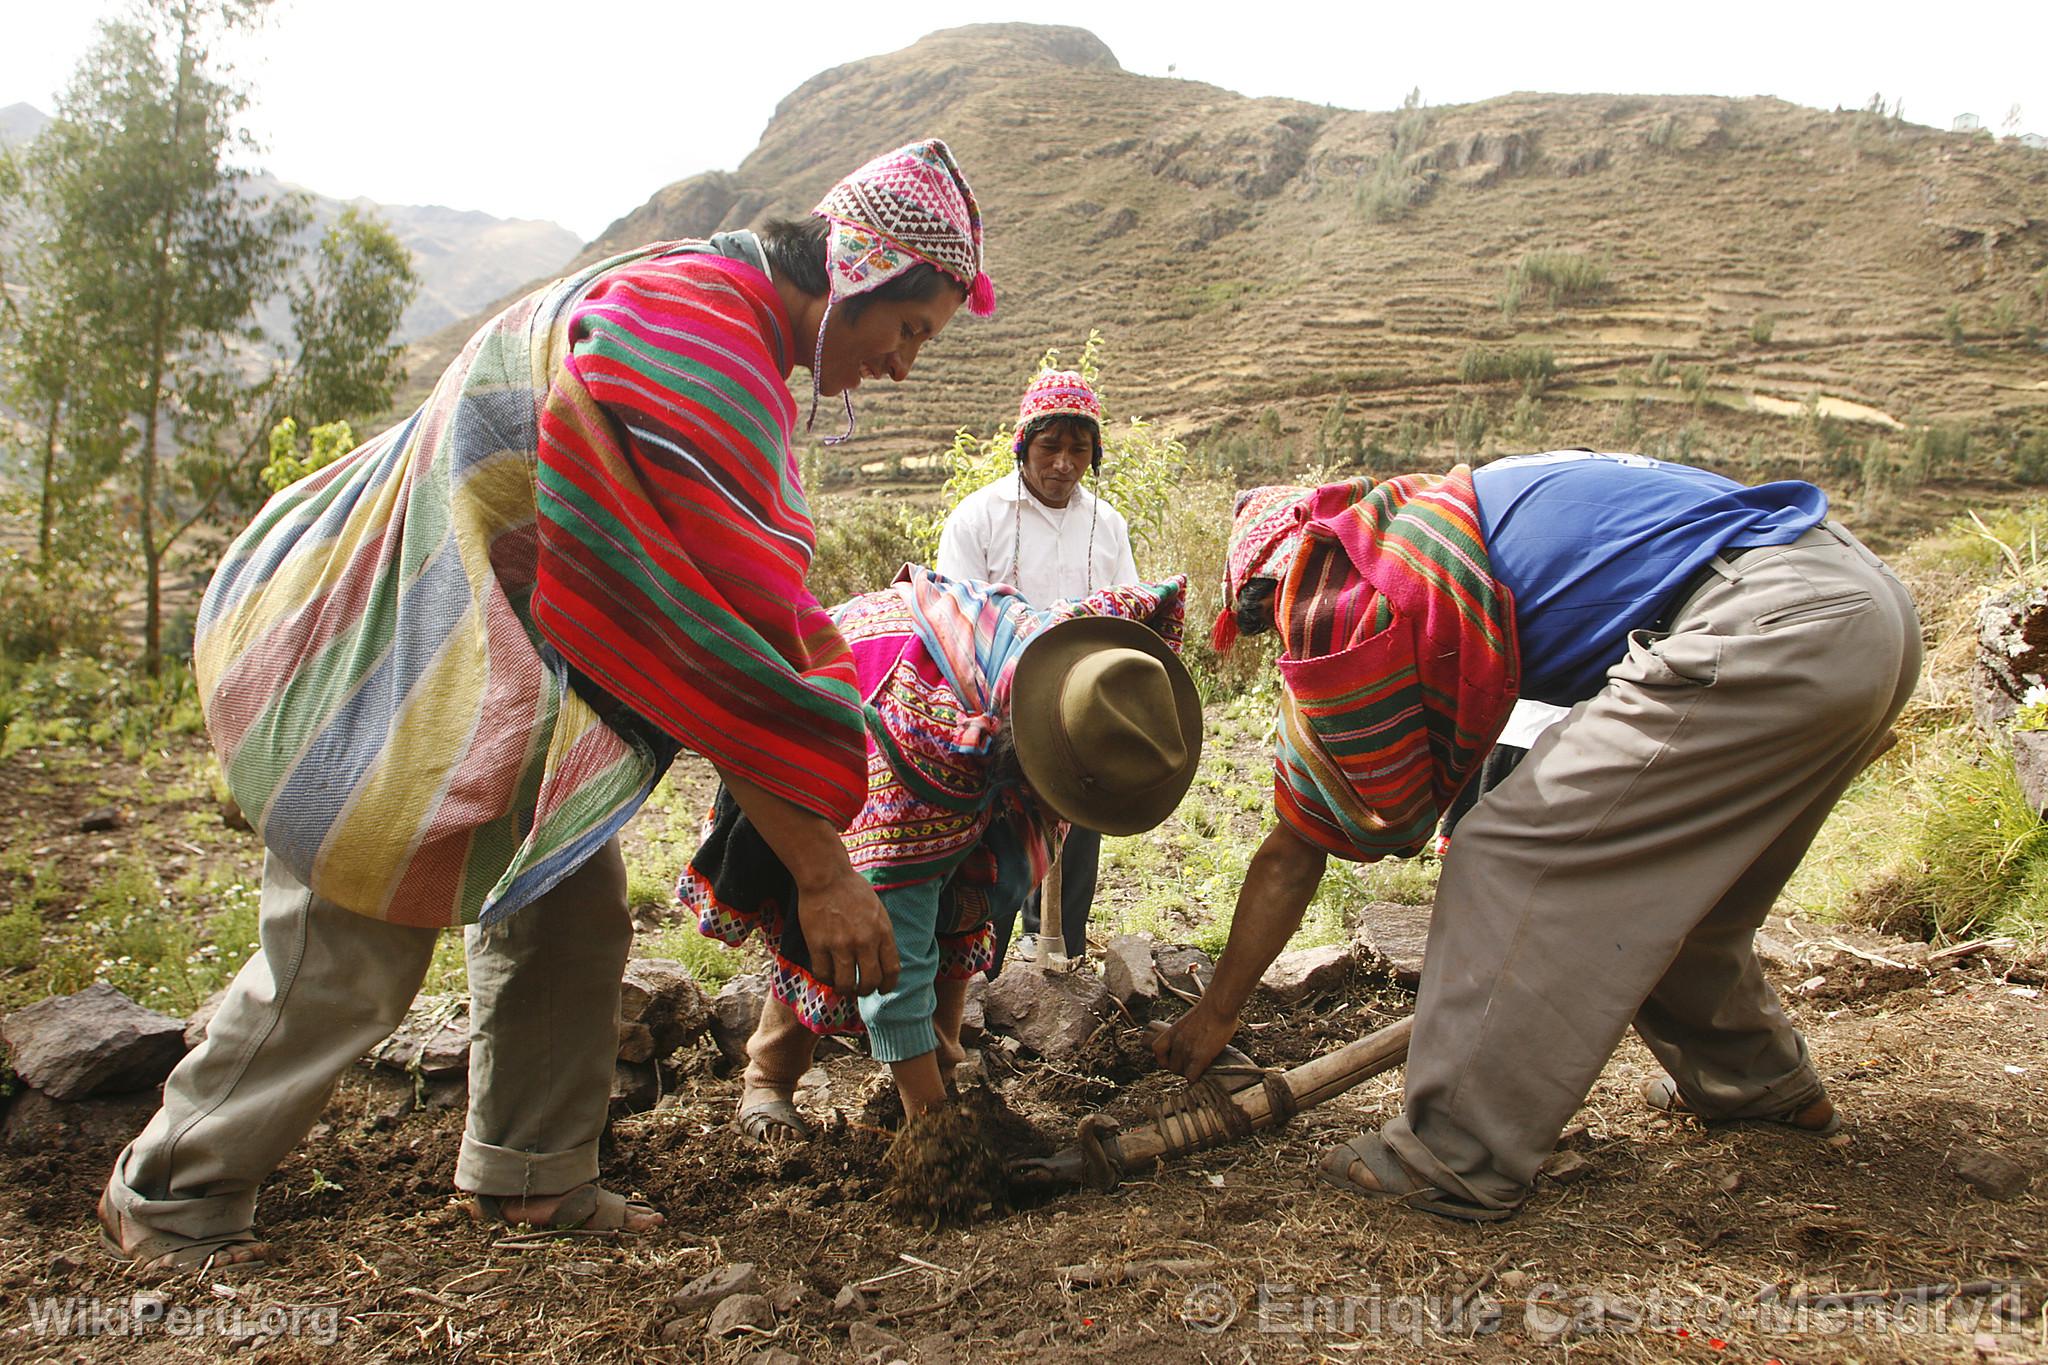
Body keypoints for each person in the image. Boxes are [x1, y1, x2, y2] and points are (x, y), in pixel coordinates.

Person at [99, 138, 997, 1273]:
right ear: (854, 272)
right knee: (347, 948)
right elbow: (720, 642)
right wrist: (821, 871)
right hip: (399, 677)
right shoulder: (696, 341)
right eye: (908, 329)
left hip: (502, 680)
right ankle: (172, 1190)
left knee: (570, 911)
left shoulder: (707, 302)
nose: (903, 365)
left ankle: (531, 1173)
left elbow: (727, 608)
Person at [1154, 449, 1920, 1221]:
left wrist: (1217, 1010)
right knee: (1682, 896)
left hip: (1765, 625)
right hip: (1860, 609)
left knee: (1504, 856)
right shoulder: (1448, 515)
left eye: (1268, 619)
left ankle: (1454, 1154)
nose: (1284, 633)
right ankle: (1754, 1081)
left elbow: (1297, 846)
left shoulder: (1359, 589)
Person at [683, 568, 1199, 1138]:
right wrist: (935, 1135)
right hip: (835, 738)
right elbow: (895, 943)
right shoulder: (922, 752)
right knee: (842, 925)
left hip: (961, 742)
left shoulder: (1085, 676)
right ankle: (771, 1078)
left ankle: (942, 1072)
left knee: (966, 898)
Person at [935, 370, 1140, 961]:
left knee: (1076, 839)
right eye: (1050, 447)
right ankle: (983, 974)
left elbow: (1125, 611)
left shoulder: (1108, 525)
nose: (1064, 463)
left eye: (1080, 449)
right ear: (1023, 445)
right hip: (997, 712)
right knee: (994, 851)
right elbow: (954, 620)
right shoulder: (978, 518)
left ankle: (1060, 961)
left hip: (1080, 712)